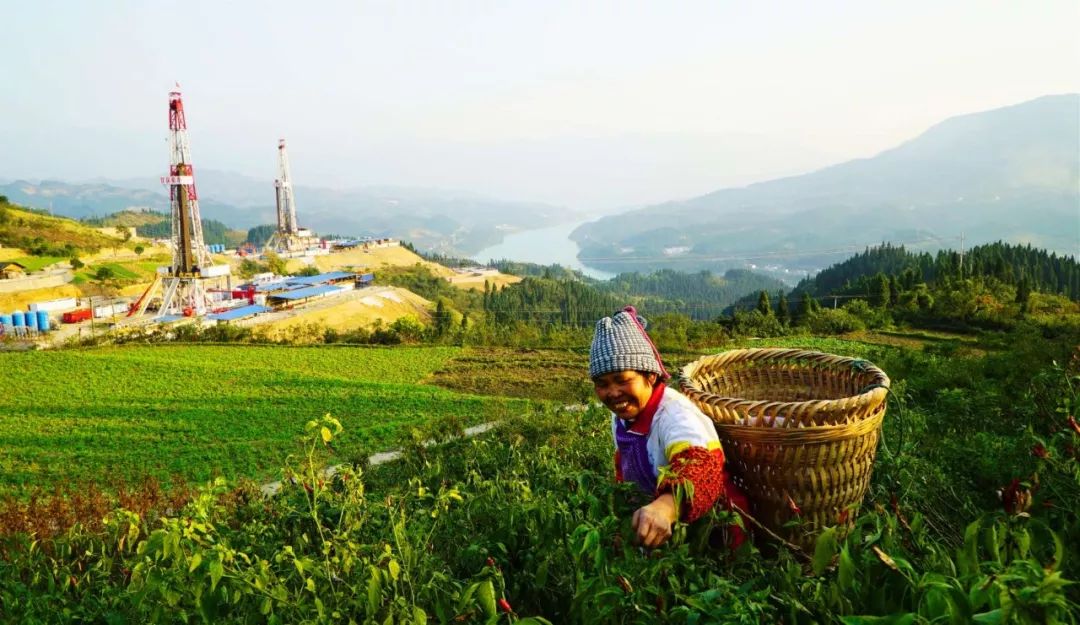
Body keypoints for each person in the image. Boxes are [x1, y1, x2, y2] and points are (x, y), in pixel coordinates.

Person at [590, 306, 748, 549]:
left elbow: (702, 466)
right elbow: (624, 467)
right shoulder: (622, 418)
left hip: (716, 533)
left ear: (650, 376)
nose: (612, 393)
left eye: (623, 380)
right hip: (667, 534)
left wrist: (666, 506)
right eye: (602, 384)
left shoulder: (674, 414)